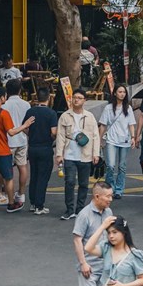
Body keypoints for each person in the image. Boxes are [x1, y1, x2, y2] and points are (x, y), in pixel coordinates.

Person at [0, 86, 34, 217]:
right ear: (2, 98)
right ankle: (11, 203)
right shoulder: (4, 113)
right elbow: (11, 132)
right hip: (2, 151)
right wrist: (25, 125)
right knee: (8, 178)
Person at [72, 181, 113, 286]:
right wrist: (83, 263)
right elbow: (77, 239)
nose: (110, 199)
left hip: (105, 264)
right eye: (107, 196)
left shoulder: (108, 212)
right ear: (97, 196)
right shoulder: (84, 215)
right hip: (89, 266)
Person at [55, 88, 102, 220]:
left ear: (84, 100)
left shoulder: (90, 116)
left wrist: (96, 153)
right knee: (69, 181)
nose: (76, 100)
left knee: (83, 183)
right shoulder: (65, 116)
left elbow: (95, 136)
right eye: (74, 97)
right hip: (69, 154)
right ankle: (69, 209)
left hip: (85, 154)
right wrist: (59, 154)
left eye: (79, 98)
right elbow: (60, 136)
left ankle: (80, 208)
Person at [99, 84, 137, 200]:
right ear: (115, 93)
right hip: (111, 139)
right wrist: (99, 139)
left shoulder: (128, 108)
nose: (122, 94)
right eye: (120, 92)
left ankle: (119, 190)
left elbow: (131, 124)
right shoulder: (108, 108)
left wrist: (133, 137)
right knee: (110, 165)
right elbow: (103, 124)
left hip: (124, 140)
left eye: (124, 92)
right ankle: (110, 187)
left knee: (122, 166)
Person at [24, 87, 58, 214]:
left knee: (34, 175)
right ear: (48, 98)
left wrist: (31, 135)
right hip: (45, 147)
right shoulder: (51, 113)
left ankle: (33, 203)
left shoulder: (30, 111)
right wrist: (52, 138)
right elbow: (53, 132)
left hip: (32, 147)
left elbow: (25, 128)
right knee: (43, 177)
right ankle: (39, 205)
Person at [4, 79, 32, 207]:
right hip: (22, 138)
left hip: (8, 140)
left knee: (7, 170)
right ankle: (21, 193)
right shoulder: (26, 104)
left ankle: (8, 195)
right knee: (22, 166)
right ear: (20, 90)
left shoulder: (4, 105)